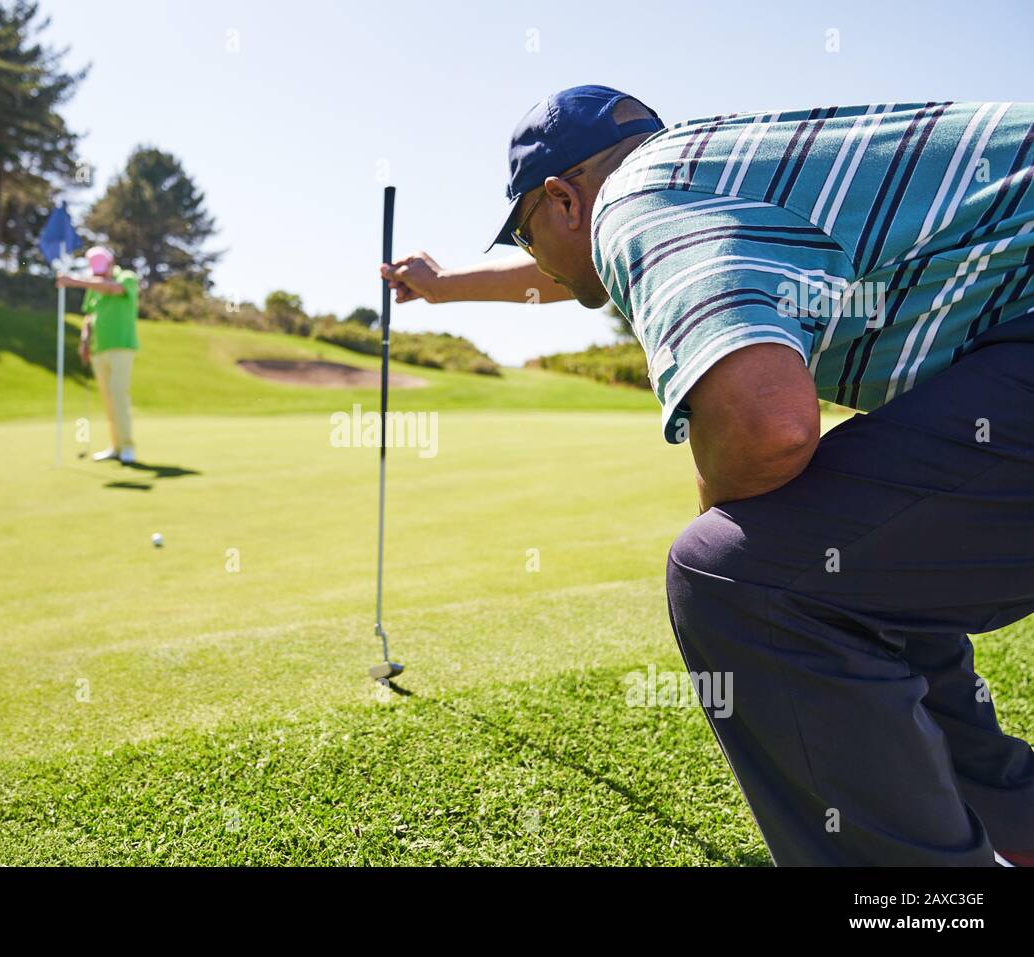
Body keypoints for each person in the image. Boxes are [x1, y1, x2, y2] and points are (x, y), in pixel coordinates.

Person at [383, 86, 1034, 866]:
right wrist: (446, 284)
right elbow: (579, 274)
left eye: (525, 233)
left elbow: (768, 426)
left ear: (564, 199)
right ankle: (1013, 829)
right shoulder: (699, 173)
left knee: (736, 572)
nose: (530, 257)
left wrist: (734, 538)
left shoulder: (633, 202)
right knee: (843, 548)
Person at [56, 245, 140, 464]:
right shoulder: (94, 285)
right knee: (108, 400)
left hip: (122, 347)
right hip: (98, 349)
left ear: (111, 264)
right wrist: (85, 340)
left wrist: (73, 281)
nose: (99, 277)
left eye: (102, 273)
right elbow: (90, 315)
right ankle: (116, 446)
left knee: (118, 395)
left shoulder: (127, 277)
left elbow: (113, 289)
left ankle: (128, 447)